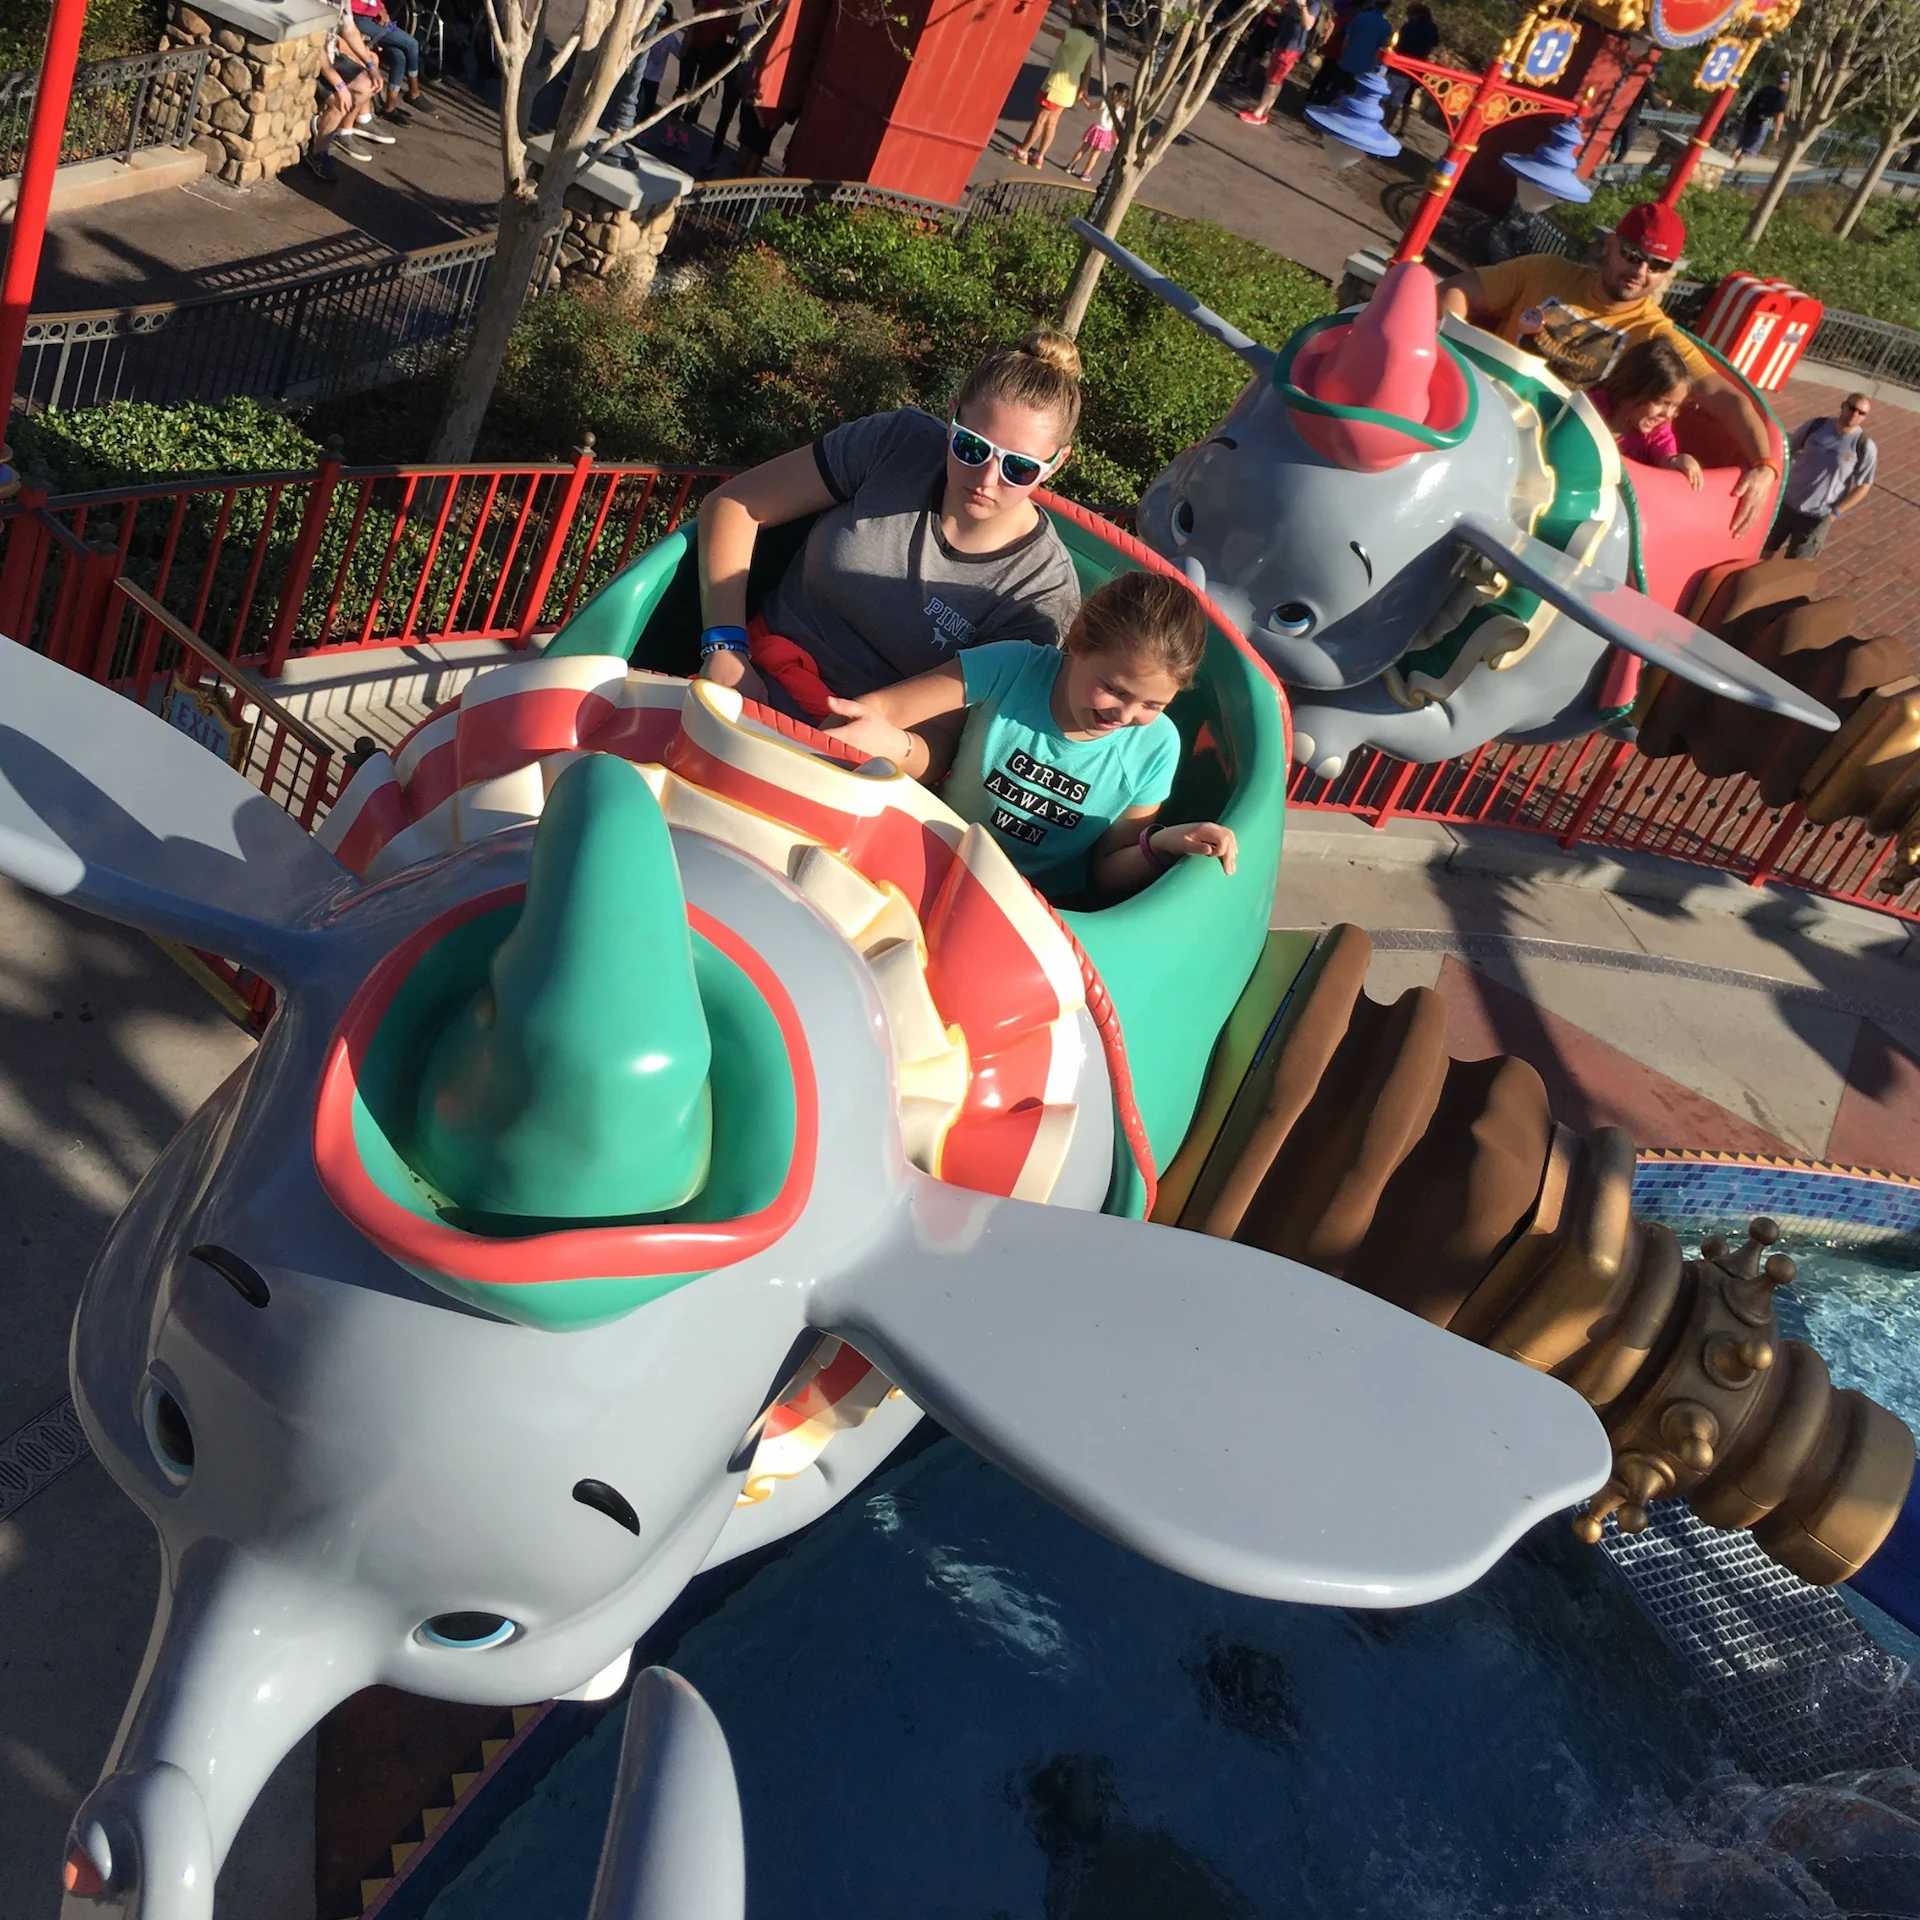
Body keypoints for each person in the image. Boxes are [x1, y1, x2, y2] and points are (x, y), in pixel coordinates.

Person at [695, 330, 1085, 734]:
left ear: (1056, 464)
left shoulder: (1039, 591)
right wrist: (726, 646)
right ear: (951, 420)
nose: (986, 478)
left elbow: (950, 744)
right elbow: (736, 506)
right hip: (749, 676)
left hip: (860, 754)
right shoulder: (898, 444)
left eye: (1018, 467)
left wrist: (888, 748)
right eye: (971, 447)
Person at [824, 572, 1237, 898]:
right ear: (1077, 640)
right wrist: (876, 735)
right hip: (936, 861)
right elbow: (880, 709)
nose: (1126, 714)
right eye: (1114, 689)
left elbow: (1108, 871)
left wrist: (1164, 843)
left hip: (1038, 910)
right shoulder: (1012, 666)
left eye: (1153, 705)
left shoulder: (1156, 746)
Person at [1437, 200, 1777, 535]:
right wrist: (1447, 357)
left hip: (1551, 462)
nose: (1640, 272)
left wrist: (1765, 466)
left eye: (1656, 265)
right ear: (1610, 245)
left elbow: (1723, 395)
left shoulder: (1654, 333)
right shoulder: (1545, 271)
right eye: (1632, 256)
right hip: (1484, 416)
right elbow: (1455, 292)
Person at [1766, 393, 1878, 559]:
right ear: (1843, 405)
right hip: (1786, 503)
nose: (1854, 415)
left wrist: (1835, 513)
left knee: (1795, 567)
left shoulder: (1864, 446)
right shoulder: (1816, 426)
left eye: (1861, 413)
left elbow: (1864, 486)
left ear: (1865, 417)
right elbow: (1787, 450)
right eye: (1852, 408)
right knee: (1762, 551)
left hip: (1817, 516)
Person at [1592, 339, 1702, 488]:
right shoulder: (1596, 405)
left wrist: (1681, 460)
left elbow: (1668, 460)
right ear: (1631, 388)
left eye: (1675, 407)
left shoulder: (1658, 434)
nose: (1668, 414)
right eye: (1661, 402)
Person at [1013, 2, 1102, 168]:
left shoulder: (1073, 35)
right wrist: (1084, 87)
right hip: (1069, 90)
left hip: (1054, 86)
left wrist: (1033, 20)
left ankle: (1022, 151)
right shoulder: (1089, 41)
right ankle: (1039, 157)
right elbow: (1088, 68)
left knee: (1039, 121)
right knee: (1052, 123)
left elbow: (1053, 31)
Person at [308, 6, 381, 183]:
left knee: (368, 83)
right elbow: (316, 47)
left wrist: (371, 66)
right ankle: (318, 152)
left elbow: (349, 29)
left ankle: (333, 126)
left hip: (332, 56)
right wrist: (340, 86)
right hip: (312, 60)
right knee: (340, 101)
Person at [349, 0, 435, 120]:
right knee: (412, 44)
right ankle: (414, 93)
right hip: (358, 18)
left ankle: (390, 107)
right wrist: (377, 11)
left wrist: (381, 8)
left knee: (399, 55)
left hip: (372, 16)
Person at [1237, 0, 1318, 124]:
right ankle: (1263, 111)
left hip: (1291, 46)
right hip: (1284, 41)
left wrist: (1301, 5)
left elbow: (1308, 25)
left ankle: (1257, 114)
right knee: (1275, 79)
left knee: (1273, 80)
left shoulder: (1313, 3)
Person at [1386, 0, 1436, 131]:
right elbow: (1434, 43)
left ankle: (1383, 123)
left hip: (1399, 65)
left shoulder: (1410, 27)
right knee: (1399, 100)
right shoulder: (1431, 29)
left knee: (1388, 96)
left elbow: (1400, 43)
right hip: (1414, 70)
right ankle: (1388, 126)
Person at [1067, 81, 1128, 178]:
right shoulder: (1121, 110)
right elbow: (1117, 124)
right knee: (1094, 154)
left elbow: (1090, 108)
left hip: (1095, 129)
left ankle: (1070, 165)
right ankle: (1085, 173)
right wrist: (1115, 137)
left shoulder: (1104, 102)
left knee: (1083, 148)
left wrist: (1083, 98)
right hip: (1106, 133)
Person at [1737, 69, 1789, 161]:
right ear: (1786, 83)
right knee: (1749, 151)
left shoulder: (1765, 89)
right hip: (1762, 123)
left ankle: (1728, 165)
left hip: (1750, 118)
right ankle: (1736, 170)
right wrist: (1776, 132)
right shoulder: (1782, 96)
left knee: (1740, 145)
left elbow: (1752, 102)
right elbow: (1779, 114)